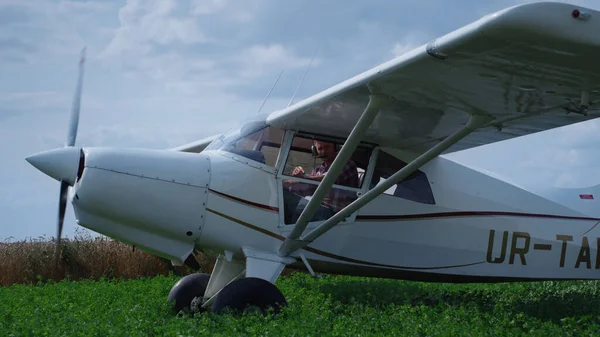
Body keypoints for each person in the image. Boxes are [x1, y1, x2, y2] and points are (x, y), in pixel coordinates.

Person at [284, 140, 359, 222]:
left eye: (327, 147)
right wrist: (291, 180)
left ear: (336, 147)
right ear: (315, 151)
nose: (323, 151)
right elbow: (306, 187)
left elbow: (327, 179)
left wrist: (303, 178)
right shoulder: (318, 169)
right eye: (320, 149)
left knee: (298, 208)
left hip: (336, 212)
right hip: (319, 207)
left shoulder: (346, 164)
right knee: (287, 198)